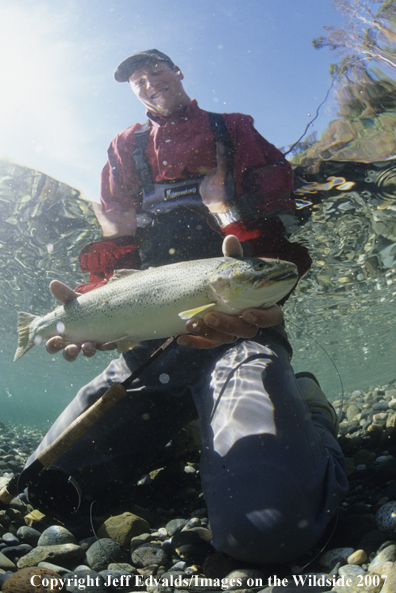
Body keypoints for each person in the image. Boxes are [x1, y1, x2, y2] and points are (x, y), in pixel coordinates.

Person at [26, 50, 348, 564]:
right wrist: (90, 309)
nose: (148, 81)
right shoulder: (122, 148)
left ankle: (312, 411)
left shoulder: (235, 129)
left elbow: (282, 252)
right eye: (136, 78)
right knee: (50, 489)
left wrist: (224, 209)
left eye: (156, 69)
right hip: (154, 346)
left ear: (178, 72)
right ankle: (184, 429)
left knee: (270, 532)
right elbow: (117, 253)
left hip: (241, 335)